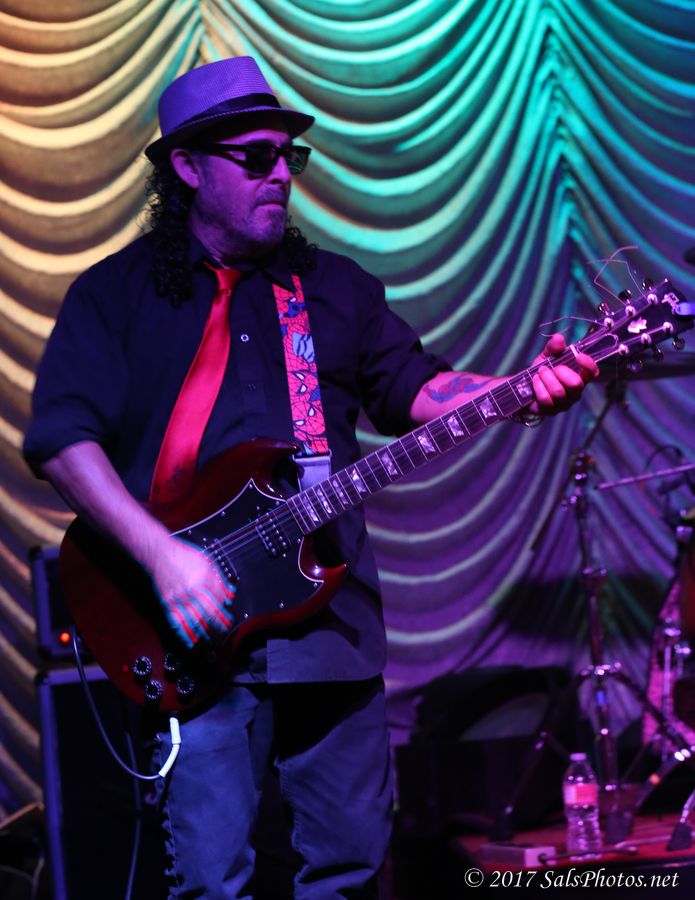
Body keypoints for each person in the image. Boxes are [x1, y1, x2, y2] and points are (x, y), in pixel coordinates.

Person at [24, 56, 598, 899]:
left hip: (330, 633)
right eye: (254, 158)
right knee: (210, 885)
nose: (279, 176)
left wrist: (520, 390)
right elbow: (61, 441)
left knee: (350, 873)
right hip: (187, 634)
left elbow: (419, 391)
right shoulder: (114, 296)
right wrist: (162, 558)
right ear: (187, 168)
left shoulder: (333, 290)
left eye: (287, 157)